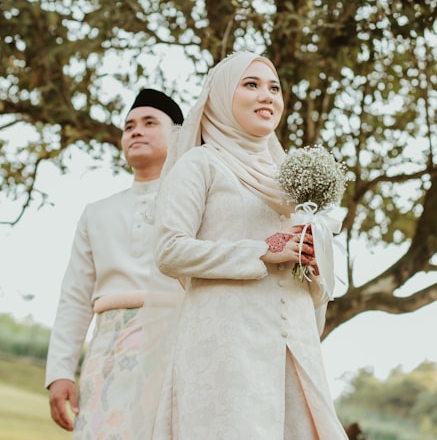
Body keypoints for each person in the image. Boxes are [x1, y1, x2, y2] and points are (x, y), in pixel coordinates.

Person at [148, 52, 348, 439]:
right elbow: (169, 250)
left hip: (294, 347)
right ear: (222, 96)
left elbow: (312, 277)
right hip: (226, 347)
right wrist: (259, 250)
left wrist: (314, 259)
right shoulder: (201, 164)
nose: (267, 96)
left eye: (274, 88)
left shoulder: (291, 179)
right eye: (251, 85)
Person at [45, 88, 184, 438]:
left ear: (179, 135)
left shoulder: (197, 202)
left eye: (150, 123)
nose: (136, 131)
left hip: (176, 342)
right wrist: (61, 371)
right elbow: (75, 296)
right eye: (129, 126)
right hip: (106, 350)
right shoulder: (97, 213)